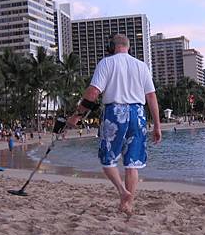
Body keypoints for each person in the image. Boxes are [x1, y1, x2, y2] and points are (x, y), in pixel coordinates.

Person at [67, 33, 161, 217]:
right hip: (138, 114)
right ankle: (128, 205)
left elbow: (94, 92)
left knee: (107, 159)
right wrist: (157, 125)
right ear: (128, 47)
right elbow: (151, 97)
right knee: (132, 164)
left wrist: (77, 116)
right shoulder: (142, 66)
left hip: (115, 113)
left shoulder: (107, 63)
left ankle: (122, 191)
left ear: (112, 46)